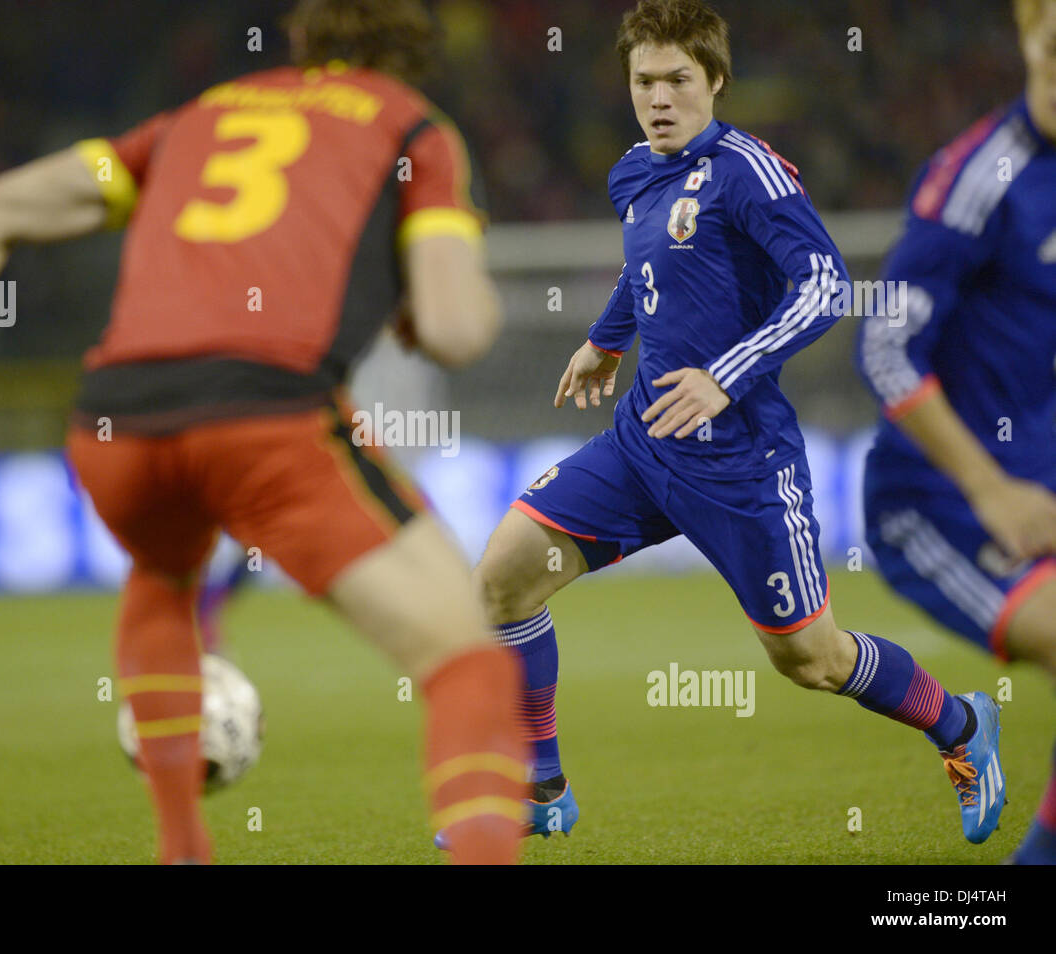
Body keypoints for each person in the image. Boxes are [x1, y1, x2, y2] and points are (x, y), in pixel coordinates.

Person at [0, 0, 528, 865]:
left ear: (299, 42)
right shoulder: (413, 128)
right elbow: (457, 329)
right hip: (263, 415)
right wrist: (444, 296)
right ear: (409, 56)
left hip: (114, 422)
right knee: (470, 664)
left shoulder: (197, 117)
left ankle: (182, 850)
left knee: (163, 576)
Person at [447, 0, 1004, 850]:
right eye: (644, 82)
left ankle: (960, 725)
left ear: (715, 81)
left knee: (809, 659)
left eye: (678, 80)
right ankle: (544, 788)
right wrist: (605, 341)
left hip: (743, 463)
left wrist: (726, 375)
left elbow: (822, 286)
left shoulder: (753, 173)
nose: (659, 98)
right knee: (503, 579)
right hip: (644, 443)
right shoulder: (633, 172)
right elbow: (649, 270)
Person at [858, 0, 1056, 866]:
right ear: (1027, 32)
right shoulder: (981, 177)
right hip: (939, 503)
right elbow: (886, 346)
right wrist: (988, 488)